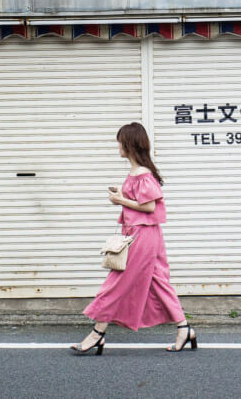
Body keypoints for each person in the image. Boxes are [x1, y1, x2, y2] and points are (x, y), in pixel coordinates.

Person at [71, 122, 196, 355]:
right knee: (158, 281)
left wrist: (120, 201)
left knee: (118, 281)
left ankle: (97, 334)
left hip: (142, 234)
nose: (117, 146)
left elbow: (148, 206)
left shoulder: (142, 174)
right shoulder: (137, 173)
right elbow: (142, 201)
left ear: (129, 144)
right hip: (144, 233)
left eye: (120, 141)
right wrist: (123, 194)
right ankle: (184, 328)